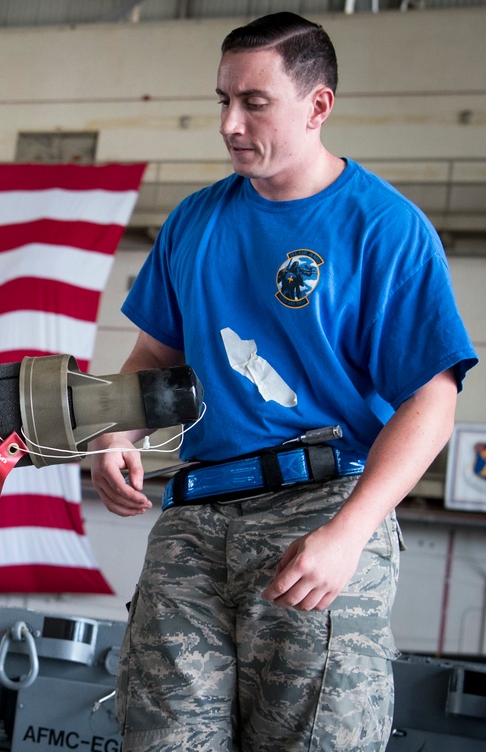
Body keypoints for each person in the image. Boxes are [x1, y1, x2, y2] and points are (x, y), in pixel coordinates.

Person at [88, 12, 477, 752]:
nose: (231, 123)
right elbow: (150, 358)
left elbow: (431, 401)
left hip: (321, 513)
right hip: (195, 518)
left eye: (254, 103)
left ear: (318, 105)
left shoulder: (383, 230)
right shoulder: (195, 221)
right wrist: (117, 434)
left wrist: (348, 535)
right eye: (222, 101)